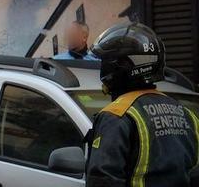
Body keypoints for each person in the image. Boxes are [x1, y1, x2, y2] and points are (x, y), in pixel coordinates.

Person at [85, 22, 199, 186]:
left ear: (118, 67)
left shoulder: (116, 115)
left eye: (105, 62)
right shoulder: (186, 114)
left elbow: (103, 180)